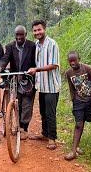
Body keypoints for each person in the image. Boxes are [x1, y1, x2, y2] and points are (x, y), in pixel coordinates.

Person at [0, 25, 36, 140]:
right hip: (15, 79)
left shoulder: (32, 46)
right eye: (17, 35)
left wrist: (34, 71)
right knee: (18, 103)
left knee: (27, 104)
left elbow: (35, 61)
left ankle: (24, 128)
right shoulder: (10, 46)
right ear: (15, 35)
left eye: (21, 34)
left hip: (28, 79)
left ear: (25, 35)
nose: (19, 37)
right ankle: (17, 126)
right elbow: (5, 59)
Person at [27, 20, 61, 150]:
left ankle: (52, 139)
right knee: (42, 111)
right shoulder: (36, 45)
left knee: (50, 112)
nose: (37, 32)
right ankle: (45, 134)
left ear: (44, 29)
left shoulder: (52, 44)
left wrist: (37, 70)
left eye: (39, 30)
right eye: (35, 31)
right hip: (41, 86)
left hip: (52, 86)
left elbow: (54, 65)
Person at [64, 51, 91, 160]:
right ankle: (73, 151)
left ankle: (77, 146)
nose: (72, 63)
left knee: (82, 122)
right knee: (78, 124)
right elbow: (71, 88)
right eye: (70, 61)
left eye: (74, 60)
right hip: (78, 102)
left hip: (89, 101)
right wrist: (74, 100)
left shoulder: (88, 69)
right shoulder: (69, 73)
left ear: (79, 59)